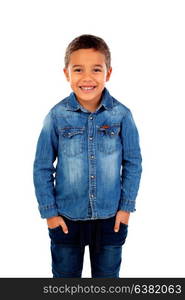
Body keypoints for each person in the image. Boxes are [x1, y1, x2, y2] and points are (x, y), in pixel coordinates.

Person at [33, 34, 142, 278]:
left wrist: (125, 209)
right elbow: (42, 166)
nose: (87, 78)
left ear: (108, 73)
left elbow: (133, 163)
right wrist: (50, 213)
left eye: (96, 69)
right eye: (78, 69)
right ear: (66, 74)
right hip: (66, 218)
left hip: (110, 219)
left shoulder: (122, 115)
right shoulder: (57, 116)